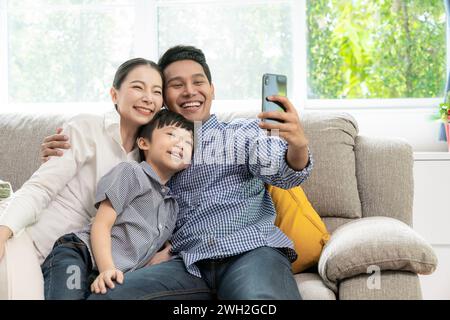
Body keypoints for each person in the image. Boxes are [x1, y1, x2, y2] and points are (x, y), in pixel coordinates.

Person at [41, 45, 314, 300]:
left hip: (248, 252)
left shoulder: (242, 133)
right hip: (187, 265)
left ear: (212, 89)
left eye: (198, 82)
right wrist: (67, 147)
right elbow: (109, 143)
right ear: (162, 99)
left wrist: (297, 145)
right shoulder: (150, 151)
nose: (189, 91)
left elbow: (283, 172)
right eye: (176, 85)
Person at [0, 58, 168, 299]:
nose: (148, 97)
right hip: (29, 241)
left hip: (77, 262)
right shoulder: (86, 128)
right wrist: (3, 232)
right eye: (138, 87)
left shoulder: (147, 162)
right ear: (114, 94)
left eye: (156, 91)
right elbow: (40, 189)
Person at [42, 109, 194, 299]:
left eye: (188, 142)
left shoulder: (172, 208)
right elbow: (102, 224)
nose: (180, 144)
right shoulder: (131, 173)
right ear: (144, 143)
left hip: (115, 275)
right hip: (80, 254)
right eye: (171, 134)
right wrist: (107, 269)